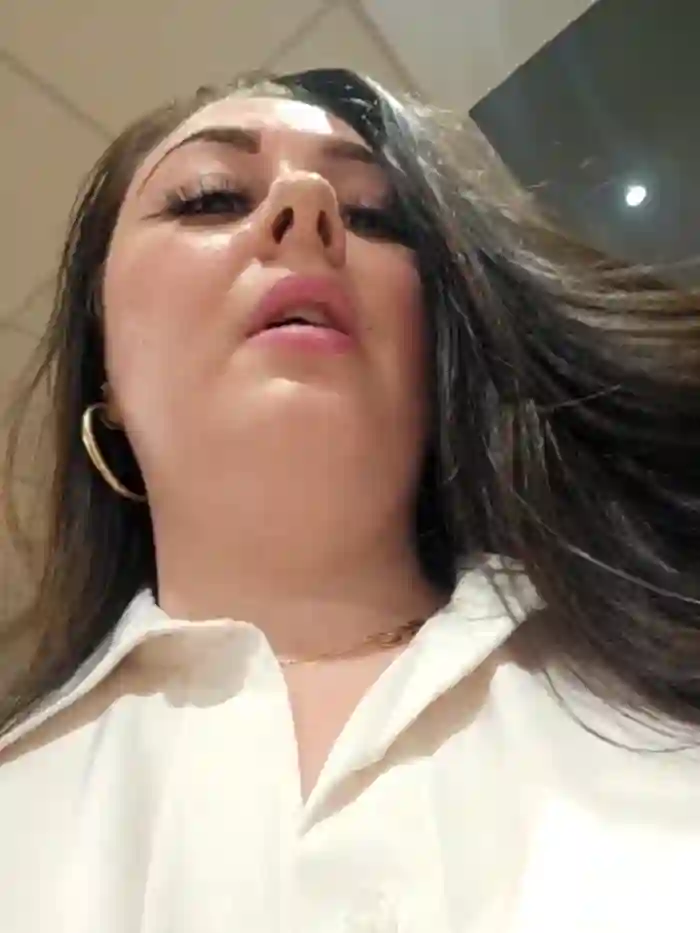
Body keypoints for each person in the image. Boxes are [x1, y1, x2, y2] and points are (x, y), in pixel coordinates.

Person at [1, 66, 700, 932]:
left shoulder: (660, 661)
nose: (307, 204)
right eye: (210, 198)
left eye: (373, 215)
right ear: (103, 367)